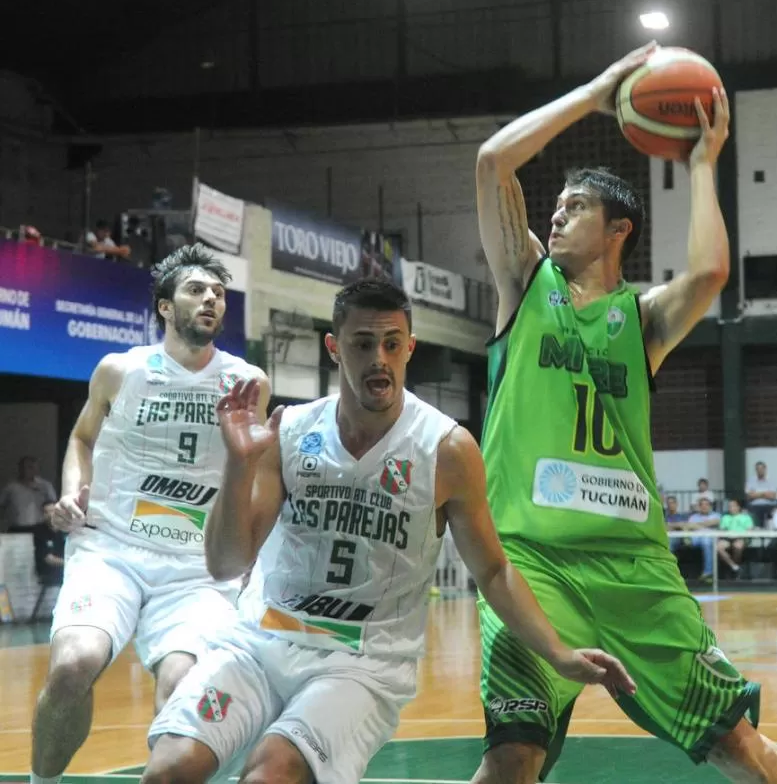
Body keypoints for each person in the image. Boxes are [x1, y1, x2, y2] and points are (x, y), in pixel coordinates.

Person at [140, 278, 634, 784]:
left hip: (361, 663)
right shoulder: (289, 431)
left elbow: (493, 569)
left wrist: (558, 652)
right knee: (167, 772)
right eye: (362, 344)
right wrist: (239, 464)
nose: (379, 357)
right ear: (334, 348)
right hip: (258, 642)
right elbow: (226, 564)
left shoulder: (445, 448)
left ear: (410, 348)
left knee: (271, 774)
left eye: (392, 344)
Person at [472, 42, 777, 783]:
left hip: (635, 569)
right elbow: (494, 161)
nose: (556, 217)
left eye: (576, 207)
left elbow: (712, 271)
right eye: (554, 207)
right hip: (531, 562)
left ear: (619, 229)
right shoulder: (525, 285)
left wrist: (702, 161)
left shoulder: (641, 318)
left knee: (739, 743)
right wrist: (593, 95)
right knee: (511, 753)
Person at [31, 244, 267, 784]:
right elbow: (83, 438)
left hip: (195, 565)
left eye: (218, 293)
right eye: (196, 290)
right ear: (165, 306)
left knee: (182, 685)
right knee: (72, 667)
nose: (210, 299)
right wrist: (73, 492)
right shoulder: (121, 370)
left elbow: (253, 475)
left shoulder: (246, 382)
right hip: (112, 548)